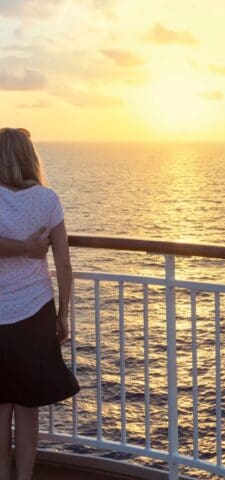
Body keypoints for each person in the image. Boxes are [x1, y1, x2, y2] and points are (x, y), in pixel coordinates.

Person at [0, 127, 80, 480]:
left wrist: (18, 248)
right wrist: (63, 314)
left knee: (1, 408)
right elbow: (63, 264)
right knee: (28, 407)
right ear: (29, 157)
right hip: (35, 315)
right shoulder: (48, 200)